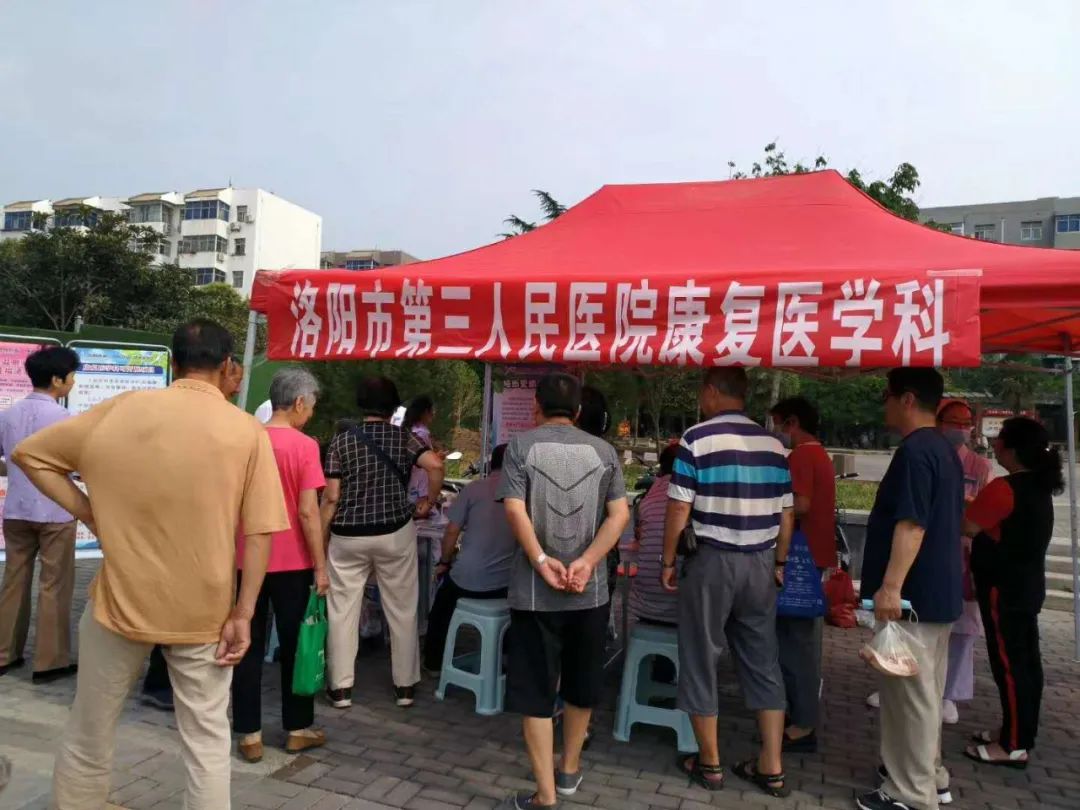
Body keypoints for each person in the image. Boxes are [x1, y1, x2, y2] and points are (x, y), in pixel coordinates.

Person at [12, 320, 289, 809]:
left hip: (119, 602)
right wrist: (244, 612)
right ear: (229, 366)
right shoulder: (245, 431)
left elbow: (29, 456)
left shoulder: (121, 410)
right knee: (206, 742)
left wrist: (91, 514)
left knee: (89, 728)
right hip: (205, 612)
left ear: (174, 362)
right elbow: (260, 532)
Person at [498, 373, 629, 810]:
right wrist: (588, 561)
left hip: (534, 594)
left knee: (536, 692)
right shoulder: (605, 452)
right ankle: (569, 770)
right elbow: (619, 515)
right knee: (581, 683)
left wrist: (540, 560)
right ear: (578, 411)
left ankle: (545, 794)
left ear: (536, 406)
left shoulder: (521, 447)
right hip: (589, 592)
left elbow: (514, 509)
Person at [661, 368, 793, 798]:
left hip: (712, 562)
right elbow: (786, 514)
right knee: (763, 660)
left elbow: (679, 508)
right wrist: (779, 562)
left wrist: (667, 560)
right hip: (760, 564)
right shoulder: (775, 445)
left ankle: (710, 763)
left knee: (701, 655)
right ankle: (772, 767)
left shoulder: (696, 439)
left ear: (712, 392)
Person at [855, 368, 964, 810]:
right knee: (926, 695)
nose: (883, 404)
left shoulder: (917, 452)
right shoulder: (942, 449)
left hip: (913, 599)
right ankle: (930, 776)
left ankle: (910, 795)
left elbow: (912, 524)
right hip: (936, 595)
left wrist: (891, 587)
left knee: (911, 700)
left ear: (907, 399)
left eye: (887, 395)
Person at [321, 377, 444, 709]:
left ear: (361, 404)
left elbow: (331, 497)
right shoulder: (404, 437)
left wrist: (321, 539)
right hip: (394, 532)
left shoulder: (342, 441)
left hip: (348, 535)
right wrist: (429, 502)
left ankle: (340, 688)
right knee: (402, 609)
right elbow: (435, 465)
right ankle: (404, 686)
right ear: (393, 407)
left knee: (342, 611)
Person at [233, 368, 329, 763]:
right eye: (312, 406)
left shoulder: (247, 441)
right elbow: (308, 512)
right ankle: (297, 729)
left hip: (245, 559)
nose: (312, 413)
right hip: (293, 563)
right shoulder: (305, 446)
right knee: (296, 646)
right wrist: (320, 566)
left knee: (246, 644)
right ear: (300, 402)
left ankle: (249, 734)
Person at [962, 417, 1061, 768]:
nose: (996, 444)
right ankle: (1017, 730)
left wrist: (966, 502)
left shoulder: (1005, 488)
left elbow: (969, 526)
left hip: (1003, 590)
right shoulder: (1038, 485)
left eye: (1000, 438)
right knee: (1026, 664)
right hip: (1027, 586)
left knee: (1009, 666)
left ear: (1012, 448)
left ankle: (1014, 746)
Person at [0, 346, 81, 683]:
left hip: (16, 509)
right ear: (57, 380)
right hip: (55, 511)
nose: (73, 382)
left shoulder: (7, 415)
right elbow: (76, 467)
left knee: (13, 581)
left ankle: (5, 653)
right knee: (55, 585)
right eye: (72, 376)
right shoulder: (66, 421)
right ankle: (50, 662)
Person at [769, 396, 836, 754]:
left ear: (792, 422)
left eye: (777, 423)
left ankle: (803, 722)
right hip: (812, 556)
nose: (775, 431)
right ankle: (798, 714)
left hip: (799, 559)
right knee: (798, 640)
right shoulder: (819, 454)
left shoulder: (802, 456)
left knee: (795, 644)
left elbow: (801, 504)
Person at [422, 444, 516, 674]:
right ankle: (505, 658)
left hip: (468, 580)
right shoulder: (522, 495)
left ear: (491, 464)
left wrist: (444, 562)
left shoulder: (474, 489)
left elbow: (451, 532)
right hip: (506, 586)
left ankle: (433, 663)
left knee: (440, 610)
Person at [402, 395, 439, 509]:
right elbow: (425, 464)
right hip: (419, 486)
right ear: (425, 412)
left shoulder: (410, 430)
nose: (433, 413)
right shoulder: (421, 433)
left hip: (413, 486)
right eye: (432, 410)